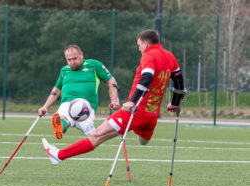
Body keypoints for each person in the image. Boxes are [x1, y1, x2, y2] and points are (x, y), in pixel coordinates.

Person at [42, 29, 186, 165]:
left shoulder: (148, 55)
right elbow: (179, 82)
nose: (139, 48)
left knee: (97, 135)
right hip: (151, 114)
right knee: (142, 141)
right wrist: (175, 103)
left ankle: (59, 155)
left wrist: (132, 102)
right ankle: (133, 127)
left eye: (139, 45)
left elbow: (147, 77)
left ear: (146, 44)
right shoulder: (170, 56)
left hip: (134, 111)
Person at [38, 44, 120, 139]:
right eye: (69, 60)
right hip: (67, 102)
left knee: (94, 135)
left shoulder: (94, 65)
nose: (72, 62)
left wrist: (114, 100)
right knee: (62, 116)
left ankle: (74, 126)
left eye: (75, 58)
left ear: (81, 55)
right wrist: (45, 107)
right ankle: (61, 125)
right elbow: (56, 90)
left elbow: (111, 81)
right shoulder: (64, 70)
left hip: (85, 105)